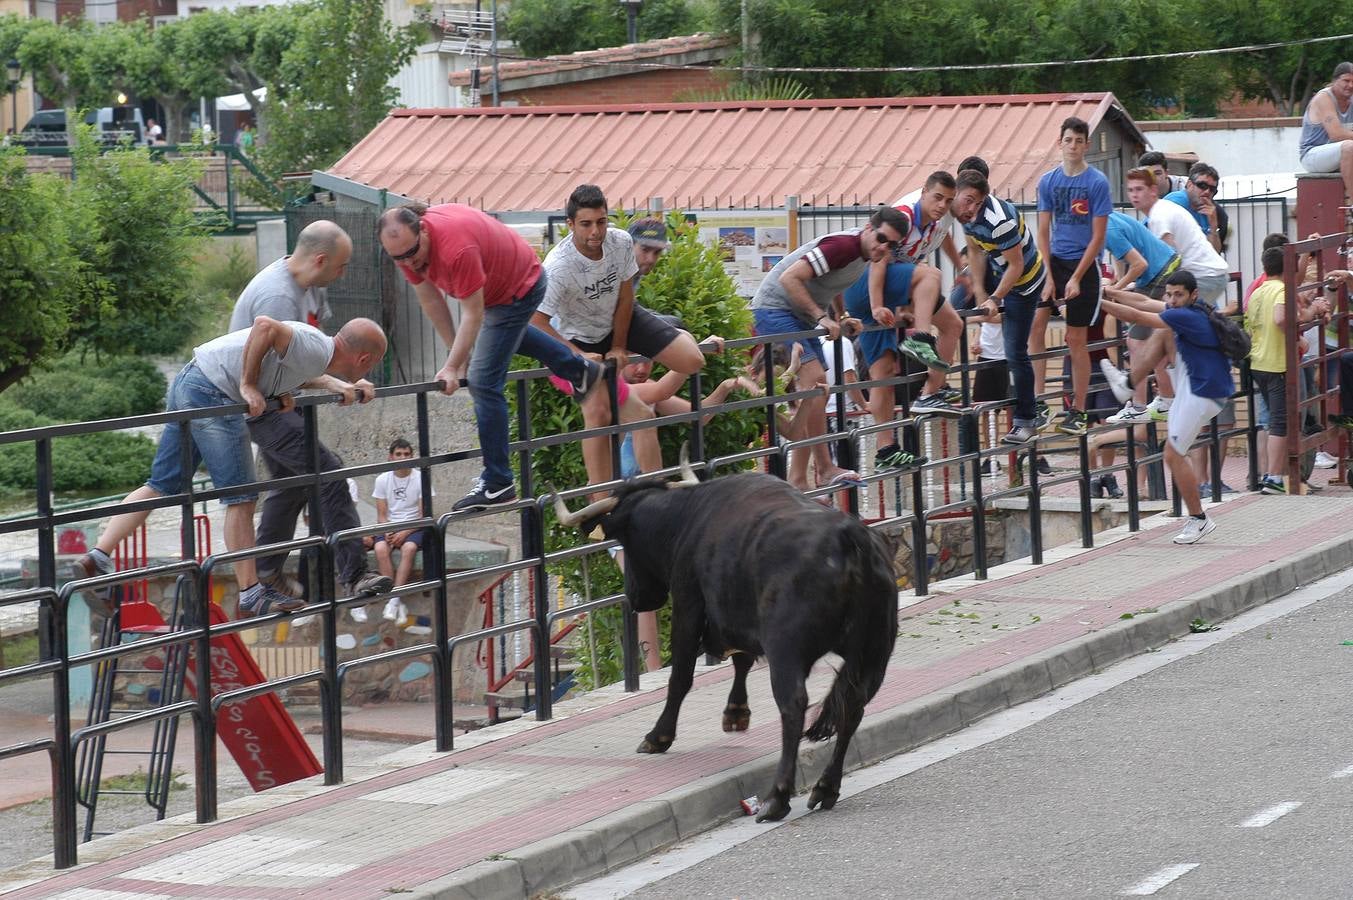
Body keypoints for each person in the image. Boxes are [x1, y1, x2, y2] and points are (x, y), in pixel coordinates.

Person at [76, 317, 388, 616]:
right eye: (374, 362)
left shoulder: (315, 350)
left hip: (191, 379)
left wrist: (281, 390)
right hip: (212, 393)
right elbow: (264, 326)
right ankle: (252, 592)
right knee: (242, 496)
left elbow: (294, 368)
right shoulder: (315, 348)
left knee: (162, 484)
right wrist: (250, 385)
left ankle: (98, 556)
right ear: (364, 359)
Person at [379, 203, 604, 511]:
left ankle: (499, 482)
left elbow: (474, 313)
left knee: (483, 382)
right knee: (500, 340)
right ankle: (581, 370)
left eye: (412, 253)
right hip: (499, 287)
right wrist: (455, 358)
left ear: (424, 229)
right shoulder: (407, 246)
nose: (409, 262)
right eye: (398, 258)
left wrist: (456, 366)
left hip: (520, 285)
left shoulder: (456, 249)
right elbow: (431, 299)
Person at [232, 220, 393, 602]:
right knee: (329, 472)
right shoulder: (279, 299)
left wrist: (345, 375)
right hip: (264, 403)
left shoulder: (308, 288)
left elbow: (316, 350)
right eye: (341, 266)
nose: (344, 275)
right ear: (320, 260)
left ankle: (267, 567)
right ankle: (354, 576)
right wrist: (335, 382)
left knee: (294, 480)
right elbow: (274, 368)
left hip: (280, 398)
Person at [531, 185, 705, 497]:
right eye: (586, 224)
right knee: (600, 412)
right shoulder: (558, 267)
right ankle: (603, 501)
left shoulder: (621, 241)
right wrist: (578, 354)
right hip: (572, 340)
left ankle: (660, 498)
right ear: (570, 225)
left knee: (692, 360)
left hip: (614, 324)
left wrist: (619, 345)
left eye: (601, 222)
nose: (595, 231)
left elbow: (626, 297)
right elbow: (536, 322)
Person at [750, 206, 907, 489]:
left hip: (799, 315)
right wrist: (822, 317)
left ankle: (801, 478)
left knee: (818, 389)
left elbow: (833, 283)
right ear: (869, 228)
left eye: (892, 245)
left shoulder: (862, 254)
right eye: (882, 238)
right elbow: (789, 278)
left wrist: (842, 316)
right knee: (814, 383)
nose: (884, 247)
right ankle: (822, 469)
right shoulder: (844, 246)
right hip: (775, 309)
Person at [1099, 272, 1232, 543]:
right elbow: (1143, 302)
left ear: (1193, 294)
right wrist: (1110, 293)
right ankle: (1144, 391)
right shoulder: (1188, 310)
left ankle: (1199, 519)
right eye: (1168, 294)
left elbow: (1138, 317)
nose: (1171, 300)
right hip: (1197, 388)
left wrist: (1096, 303)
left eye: (1178, 294)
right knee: (1164, 333)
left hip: (1201, 394)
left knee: (1172, 455)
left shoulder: (1186, 316)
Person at [951, 166, 1047, 444]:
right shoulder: (960, 211)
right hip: (996, 267)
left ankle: (1026, 420)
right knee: (957, 297)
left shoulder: (999, 220)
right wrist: (980, 291)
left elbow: (1016, 266)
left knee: (1016, 351)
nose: (970, 208)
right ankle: (937, 380)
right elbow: (975, 250)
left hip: (1024, 279)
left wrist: (995, 298)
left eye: (977, 202)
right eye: (967, 200)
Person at [1036, 116, 1112, 436]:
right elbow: (1042, 230)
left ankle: (1078, 410)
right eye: (1069, 140)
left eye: (1079, 141)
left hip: (1084, 263)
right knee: (1034, 324)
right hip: (1055, 259)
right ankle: (1037, 401)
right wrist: (1047, 273)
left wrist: (1077, 276)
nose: (1073, 146)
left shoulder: (1097, 182)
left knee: (1075, 339)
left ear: (1087, 145)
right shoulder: (1048, 181)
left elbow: (1098, 237)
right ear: (1060, 142)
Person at [871, 170, 965, 411]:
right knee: (932, 274)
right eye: (937, 198)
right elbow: (879, 260)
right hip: (872, 282)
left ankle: (930, 393)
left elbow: (910, 265)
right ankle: (920, 338)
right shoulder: (905, 215)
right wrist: (878, 305)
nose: (942, 205)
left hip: (901, 283)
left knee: (954, 324)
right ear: (924, 192)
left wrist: (905, 307)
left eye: (948, 201)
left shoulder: (934, 222)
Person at [843, 260, 945, 471]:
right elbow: (878, 264)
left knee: (884, 375)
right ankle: (927, 393)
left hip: (872, 302)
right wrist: (874, 307)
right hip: (866, 298)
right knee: (930, 275)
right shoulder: (875, 248)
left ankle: (887, 449)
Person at [1245, 247, 1331, 494]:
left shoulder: (1259, 291)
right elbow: (1282, 318)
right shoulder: (1282, 291)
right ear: (1287, 267)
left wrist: (1294, 338)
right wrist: (1312, 311)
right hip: (1277, 363)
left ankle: (1272, 475)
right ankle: (1273, 477)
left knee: (1273, 420)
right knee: (1281, 422)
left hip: (1259, 361)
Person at [1100, 210, 1180, 425]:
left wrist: (1115, 288)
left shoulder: (1106, 228)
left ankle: (1138, 406)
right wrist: (1119, 287)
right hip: (1163, 268)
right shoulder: (1109, 219)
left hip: (1158, 273)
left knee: (1137, 341)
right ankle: (1165, 400)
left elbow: (1139, 265)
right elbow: (1121, 258)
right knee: (1156, 338)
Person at [362, 438, 434, 626]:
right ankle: (393, 599)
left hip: (414, 525)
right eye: (399, 454)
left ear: (412, 456)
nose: (403, 458)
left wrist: (404, 532)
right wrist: (388, 531)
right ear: (391, 457)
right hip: (390, 526)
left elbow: (423, 514)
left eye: (407, 454)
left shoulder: (420, 478)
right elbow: (381, 514)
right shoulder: (382, 479)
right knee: (380, 549)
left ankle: (394, 599)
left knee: (409, 548)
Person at [1298, 61, 1353, 205]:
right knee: (1349, 147)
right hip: (1311, 155)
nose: (1351, 85)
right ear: (1335, 80)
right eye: (1346, 80)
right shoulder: (1324, 98)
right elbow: (1336, 134)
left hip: (1338, 155)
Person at [1163, 162, 1228, 255]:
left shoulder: (1208, 210)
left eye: (1212, 189)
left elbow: (1213, 254)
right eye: (1202, 185)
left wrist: (1213, 227)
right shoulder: (1176, 203)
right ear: (1189, 185)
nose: (1207, 191)